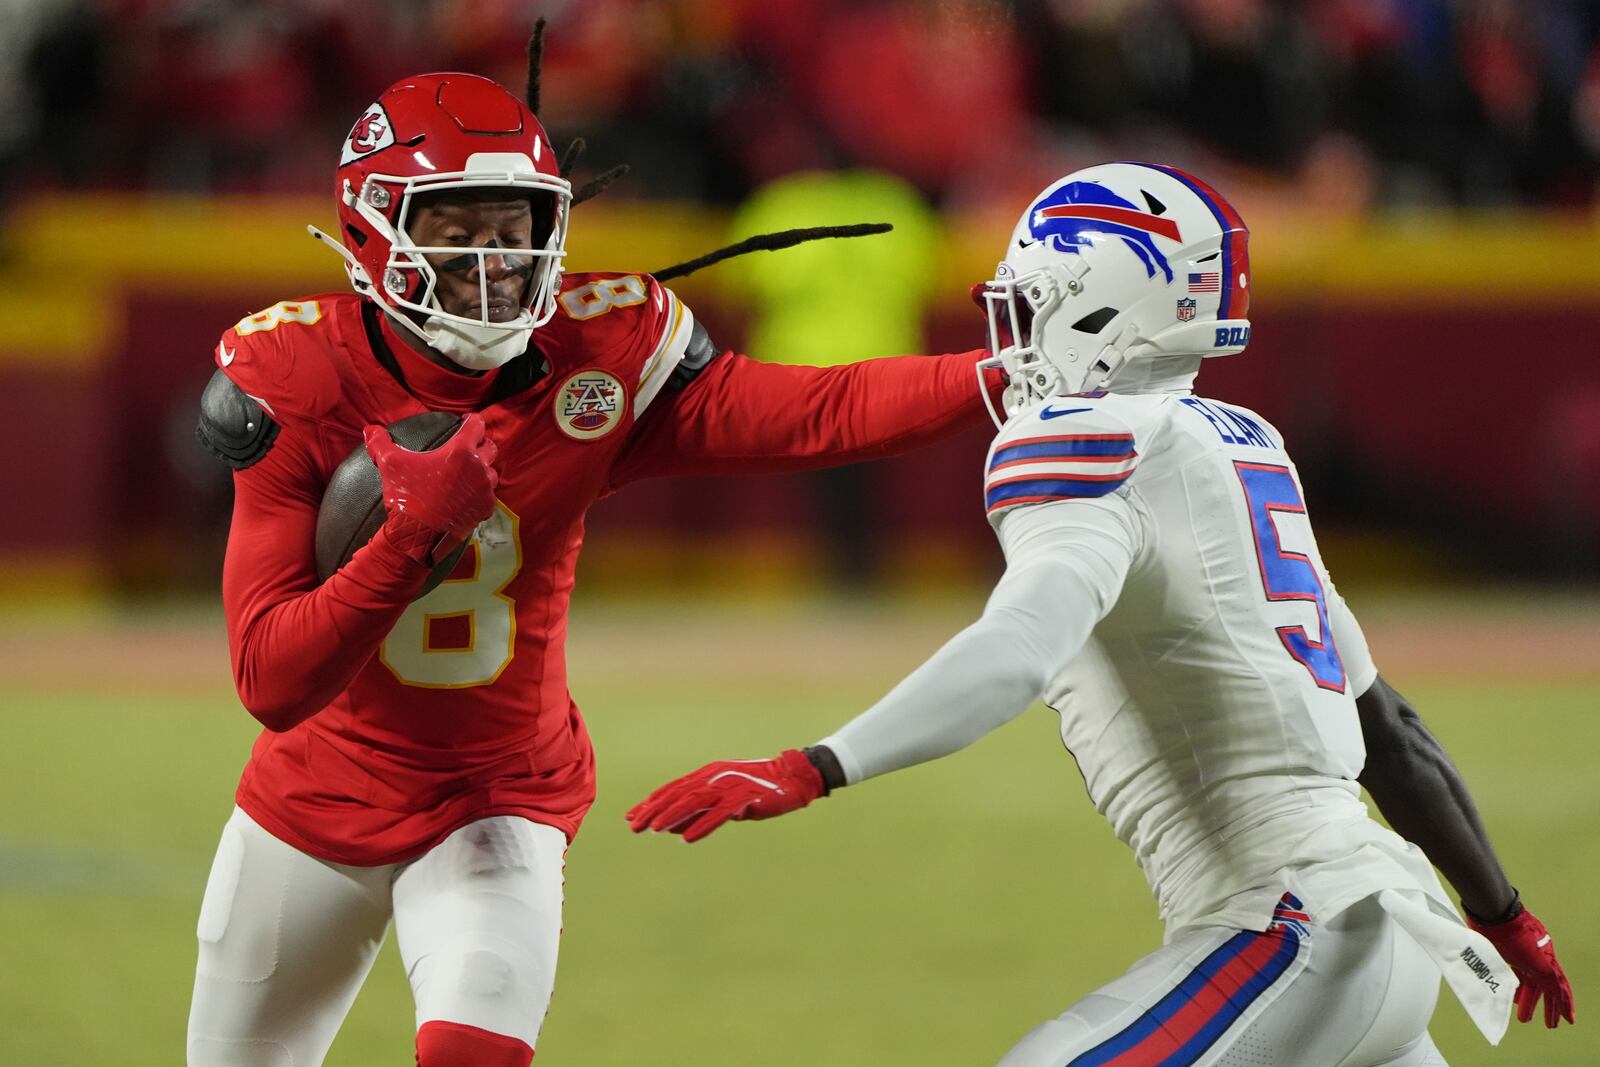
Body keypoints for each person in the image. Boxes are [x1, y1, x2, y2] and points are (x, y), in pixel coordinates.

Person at [629, 163, 1576, 1066]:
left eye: (1032, 301)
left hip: (1294, 926)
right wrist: (1503, 912)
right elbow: (1391, 729)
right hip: (1393, 921)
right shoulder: (1242, 444)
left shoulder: (1089, 439)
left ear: (1103, 304)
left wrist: (815, 765)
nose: (1012, 332)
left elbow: (1018, 648)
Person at [185, 69, 998, 1067]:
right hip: (312, 796)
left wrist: (1003, 373)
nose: (494, 261)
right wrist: (407, 540)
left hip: (500, 791)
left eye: (514, 224)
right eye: (458, 229)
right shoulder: (298, 373)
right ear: (371, 231)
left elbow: (813, 409)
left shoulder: (599, 349)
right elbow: (272, 682)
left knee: (470, 1051)